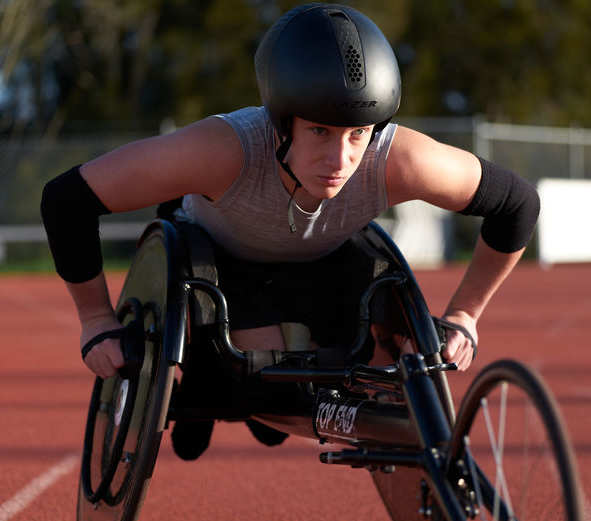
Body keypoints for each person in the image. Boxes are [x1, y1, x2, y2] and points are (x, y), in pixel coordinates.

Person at [41, 3, 539, 457]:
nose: (339, 160)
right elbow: (67, 200)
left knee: (295, 390)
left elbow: (517, 204)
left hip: (325, 263)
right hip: (218, 264)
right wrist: (96, 319)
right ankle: (208, 376)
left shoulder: (400, 160)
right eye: (319, 131)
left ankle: (264, 387)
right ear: (281, 124)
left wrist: (465, 314)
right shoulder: (224, 151)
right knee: (244, 385)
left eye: (358, 134)